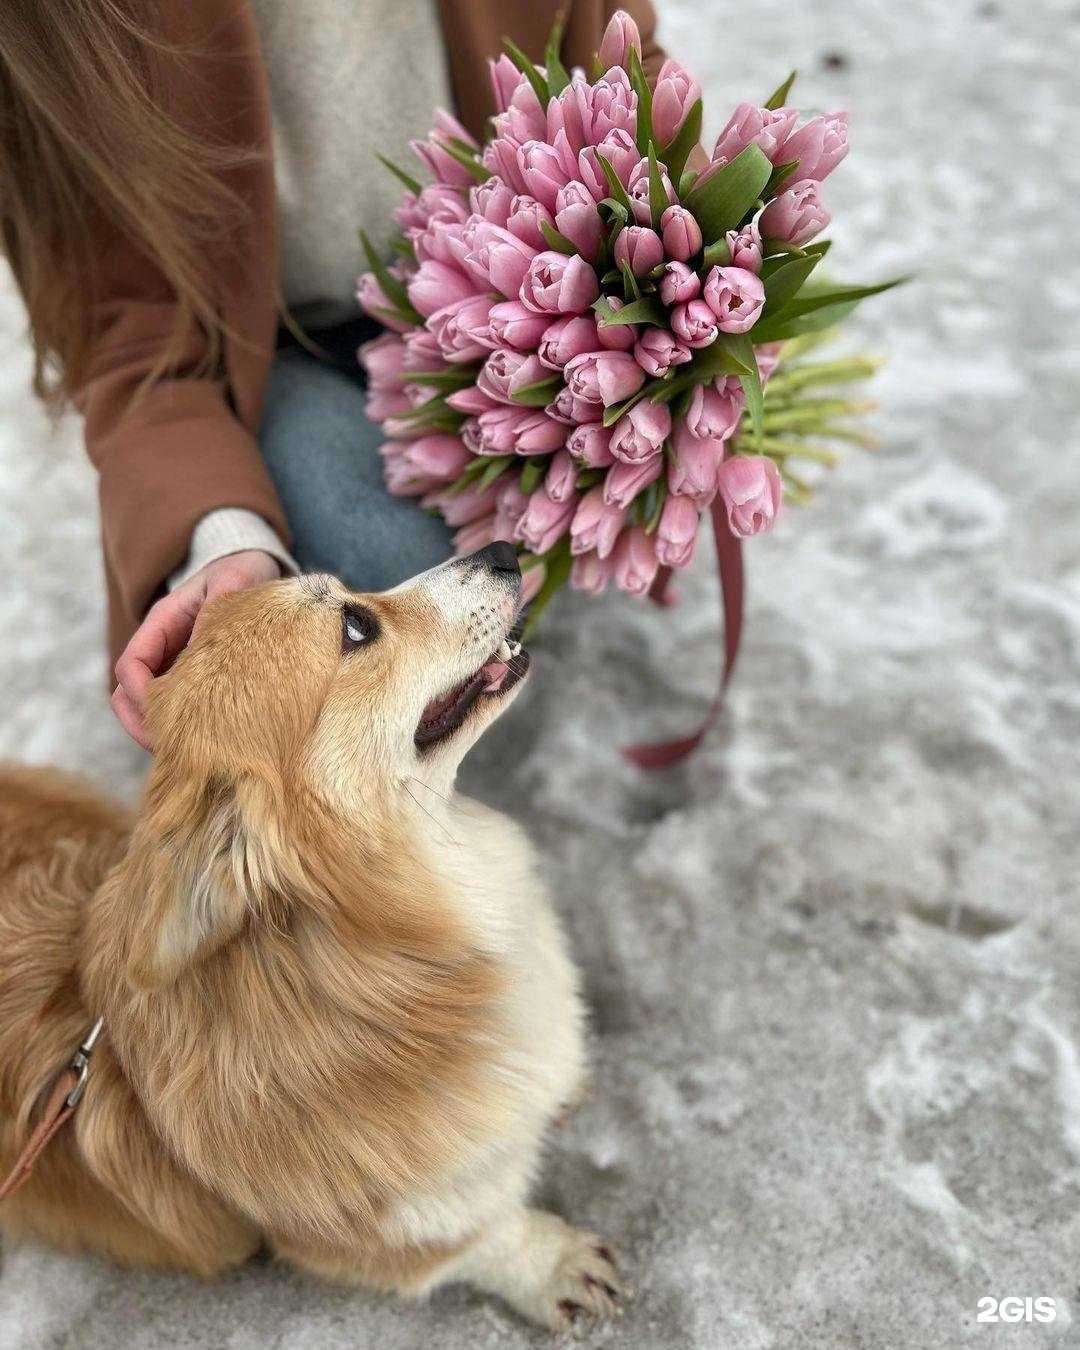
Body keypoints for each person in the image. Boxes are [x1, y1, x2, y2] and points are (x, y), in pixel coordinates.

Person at [0, 0, 666, 749]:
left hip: (526, 292)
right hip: (281, 344)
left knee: (614, 457)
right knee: (382, 567)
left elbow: (626, 68)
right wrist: (223, 537)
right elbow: (125, 331)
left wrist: (676, 294)